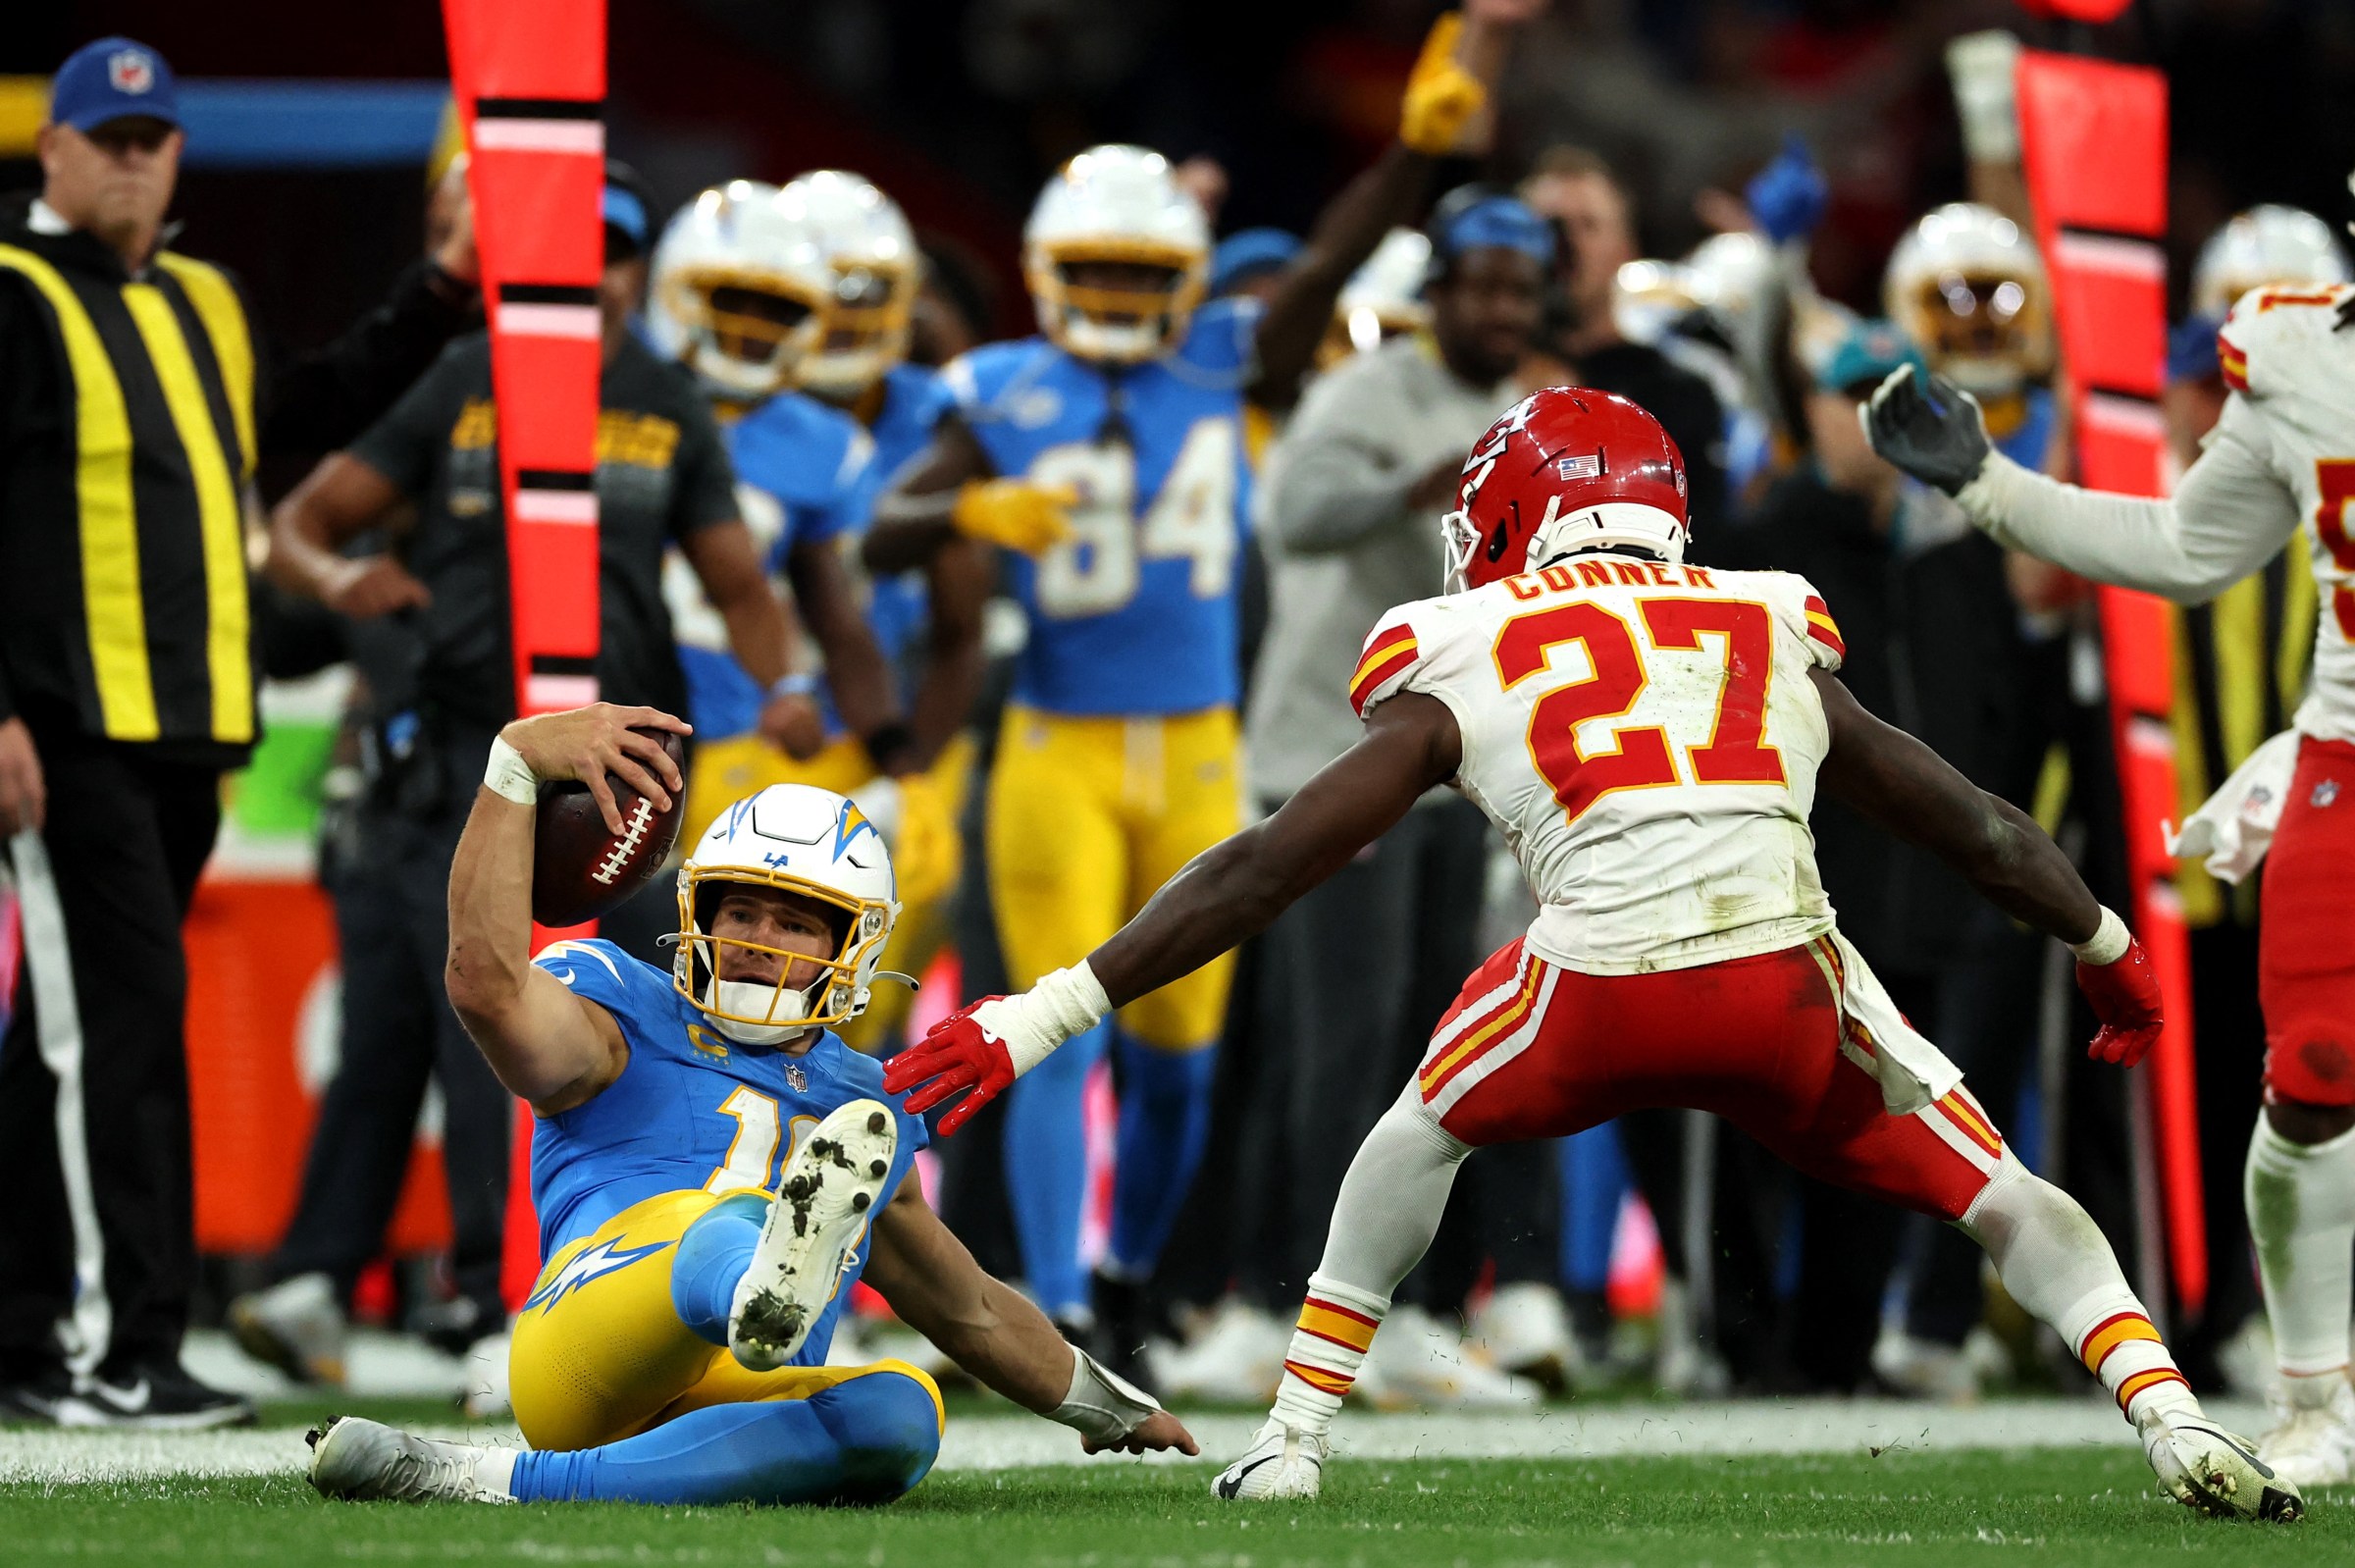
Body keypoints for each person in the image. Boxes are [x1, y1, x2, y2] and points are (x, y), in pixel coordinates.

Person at [886, 388, 2298, 1523]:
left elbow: (1276, 860)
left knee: (1413, 1131)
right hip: (1787, 985)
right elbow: (1978, 825)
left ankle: (1298, 1436)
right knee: (2011, 1197)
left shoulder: (1464, 636)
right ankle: (2169, 1414)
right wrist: (2109, 948)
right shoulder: (1767, 615)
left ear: (1511, 516)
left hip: (1592, 991)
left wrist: (1040, 1013)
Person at [862, 4, 1529, 1383]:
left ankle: (1121, 1280)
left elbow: (1332, 255)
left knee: (1175, 1061)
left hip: (1196, 753)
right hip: (1054, 744)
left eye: (1136, 271)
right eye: (1091, 270)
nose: (1112, 297)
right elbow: (874, 532)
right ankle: (1053, 1308)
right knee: (1048, 1029)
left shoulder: (1224, 360)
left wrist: (1412, 156)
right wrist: (966, 496)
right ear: (1048, 269)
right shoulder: (996, 384)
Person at [305, 707, 1195, 1504]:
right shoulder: (621, 1008)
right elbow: (486, 986)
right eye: (742, 914)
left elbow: (971, 1310)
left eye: (795, 924)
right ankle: (757, 1282)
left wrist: (1112, 1408)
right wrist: (514, 764)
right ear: (698, 915)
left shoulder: (863, 1102)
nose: (758, 943)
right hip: (585, 1351)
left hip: (729, 1400)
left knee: (901, 1410)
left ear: (851, 946)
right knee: (733, 1216)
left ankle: (483, 1478)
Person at [238, 162, 803, 1385]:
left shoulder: (664, 397)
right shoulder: (460, 378)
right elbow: (300, 526)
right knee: (464, 1024)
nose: (590, 277)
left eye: (611, 254)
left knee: (621, 1029)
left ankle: (591, 1279)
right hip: (464, 759)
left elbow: (739, 578)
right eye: (568, 254)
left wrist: (792, 685)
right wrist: (343, 587)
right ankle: (483, 1295)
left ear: (640, 269)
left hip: (626, 782)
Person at [0, 35, 446, 1430]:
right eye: (108, 138)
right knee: (113, 1032)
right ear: (54, 151)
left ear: (178, 152)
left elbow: (297, 413)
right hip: (67, 720)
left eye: (154, 138)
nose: (134, 159)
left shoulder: (204, 296)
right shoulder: (9, 296)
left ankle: (35, 1332)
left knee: (69, 1040)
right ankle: (114, 1342)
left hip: (189, 724)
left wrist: (437, 296)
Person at [1860, 269, 2355, 1488]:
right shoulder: (2293, 350)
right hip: (2350, 748)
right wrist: (1990, 483)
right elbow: (2189, 546)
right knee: (2315, 1072)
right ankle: (2313, 1390)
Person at [1206, 186, 1564, 1404]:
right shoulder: (1371, 390)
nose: (1505, 310)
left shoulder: (1519, 406)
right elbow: (1290, 516)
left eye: (1523, 290)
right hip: (1327, 756)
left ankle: (1396, 1308)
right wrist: (1422, 485)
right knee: (1338, 1042)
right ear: (1437, 293)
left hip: (1444, 769)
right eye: (1485, 287)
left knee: (1430, 1042)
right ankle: (1280, 1305)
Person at [1718, 319, 2045, 1394]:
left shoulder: (1951, 547)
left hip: (1914, 892)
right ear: (1811, 410)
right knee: (1766, 1123)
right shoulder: (1765, 546)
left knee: (1876, 1129)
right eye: (1849, 394)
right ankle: (1744, 1344)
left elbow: (1993, 707)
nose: (1867, 419)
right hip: (1794, 886)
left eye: (1889, 395)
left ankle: (1837, 1351)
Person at [1519, 146, 1727, 531]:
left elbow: (1702, 537)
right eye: (1549, 226)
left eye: (1588, 226)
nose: (1567, 246)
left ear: (1626, 249)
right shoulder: (1482, 371)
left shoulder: (1679, 392)